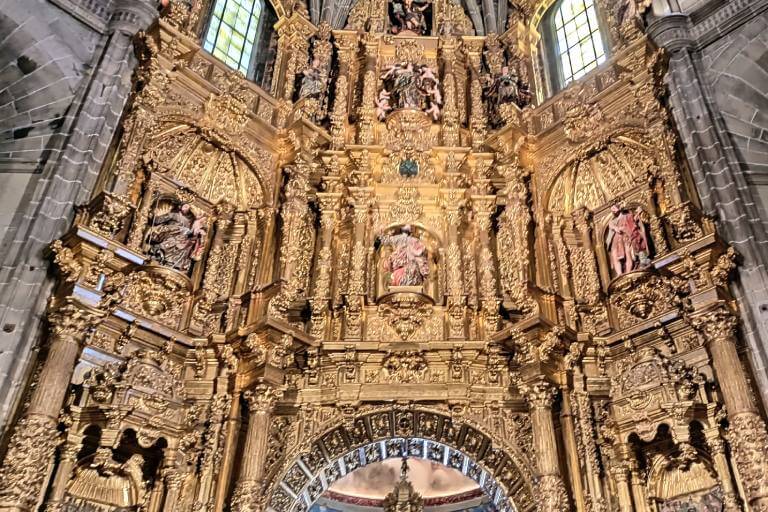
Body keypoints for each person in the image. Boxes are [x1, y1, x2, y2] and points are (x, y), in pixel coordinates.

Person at [145, 203, 207, 272]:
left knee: (183, 245)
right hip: (170, 233)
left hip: (181, 238)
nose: (186, 209)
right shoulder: (174, 215)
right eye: (185, 207)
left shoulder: (187, 221)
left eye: (187, 208)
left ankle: (171, 261)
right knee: (177, 240)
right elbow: (157, 220)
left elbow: (194, 232)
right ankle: (161, 252)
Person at [606, 204, 650, 276]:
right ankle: (620, 274)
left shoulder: (628, 216)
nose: (613, 210)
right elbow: (613, 226)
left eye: (614, 208)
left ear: (619, 208)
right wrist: (617, 228)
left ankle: (628, 273)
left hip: (626, 237)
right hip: (617, 240)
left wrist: (638, 212)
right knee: (615, 257)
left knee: (628, 254)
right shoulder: (612, 221)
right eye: (611, 209)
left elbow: (633, 221)